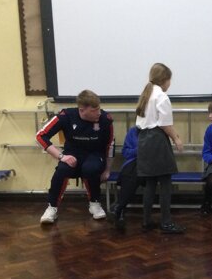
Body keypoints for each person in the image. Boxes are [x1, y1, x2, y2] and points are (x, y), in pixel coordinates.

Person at [36, 89, 114, 224]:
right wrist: (61, 156)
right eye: (94, 110)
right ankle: (52, 207)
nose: (99, 113)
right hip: (72, 155)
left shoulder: (105, 119)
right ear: (82, 110)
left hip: (95, 155)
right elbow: (40, 136)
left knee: (90, 168)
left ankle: (94, 203)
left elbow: (110, 145)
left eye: (99, 109)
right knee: (62, 169)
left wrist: (107, 170)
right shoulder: (66, 116)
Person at [135, 63, 185, 234]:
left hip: (143, 140)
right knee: (165, 183)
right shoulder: (162, 96)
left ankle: (146, 220)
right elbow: (165, 125)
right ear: (165, 80)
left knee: (150, 183)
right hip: (157, 139)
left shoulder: (146, 94)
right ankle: (166, 222)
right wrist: (176, 138)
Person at [113, 125, 144, 231]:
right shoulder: (133, 131)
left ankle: (119, 207)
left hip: (150, 165)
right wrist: (139, 150)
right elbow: (126, 153)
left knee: (133, 172)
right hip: (133, 163)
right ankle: (120, 207)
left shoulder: (157, 131)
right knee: (131, 172)